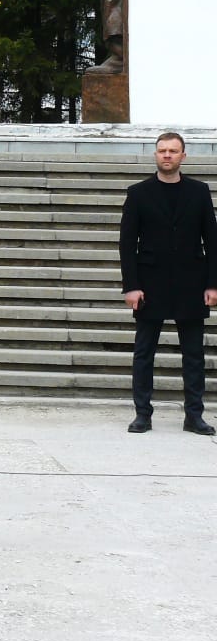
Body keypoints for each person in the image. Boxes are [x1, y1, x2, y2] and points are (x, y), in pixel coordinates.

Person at [118, 131, 217, 435]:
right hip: (150, 283)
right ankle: (142, 414)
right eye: (162, 150)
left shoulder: (200, 192)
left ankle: (194, 415)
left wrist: (213, 284)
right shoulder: (138, 193)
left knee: (194, 355)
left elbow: (212, 242)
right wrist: (131, 286)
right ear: (156, 155)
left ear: (183, 156)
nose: (167, 155)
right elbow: (127, 243)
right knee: (144, 352)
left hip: (191, 282)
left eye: (173, 151)